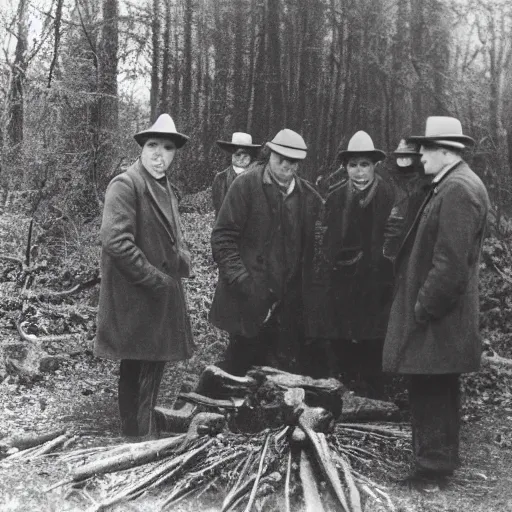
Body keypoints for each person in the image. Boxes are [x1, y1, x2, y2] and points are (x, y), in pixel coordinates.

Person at [383, 116, 490, 484]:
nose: (420, 155)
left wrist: (424, 306)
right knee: (433, 387)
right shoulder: (450, 183)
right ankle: (434, 464)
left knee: (432, 388)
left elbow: (451, 264)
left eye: (426, 148)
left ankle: (432, 469)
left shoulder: (458, 189)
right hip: (441, 315)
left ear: (446, 151)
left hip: (440, 316)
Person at [95, 114, 194, 439]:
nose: (159, 154)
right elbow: (115, 242)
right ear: (142, 148)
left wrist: (182, 258)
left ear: (174, 153)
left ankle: (144, 436)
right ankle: (135, 442)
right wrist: (155, 280)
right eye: (153, 145)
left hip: (158, 300)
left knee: (152, 373)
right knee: (136, 371)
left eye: (167, 148)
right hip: (136, 299)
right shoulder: (126, 184)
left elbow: (169, 235)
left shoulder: (163, 186)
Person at [208, 129, 323, 376]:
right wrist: (242, 281)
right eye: (279, 156)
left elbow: (317, 251)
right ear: (269, 154)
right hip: (245, 299)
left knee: (278, 379)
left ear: (299, 163)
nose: (285, 164)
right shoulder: (245, 186)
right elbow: (222, 238)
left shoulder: (310, 198)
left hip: (286, 305)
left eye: (292, 160)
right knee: (238, 372)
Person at [317, 131, 395, 396]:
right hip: (343, 277)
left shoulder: (390, 195)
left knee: (373, 340)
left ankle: (374, 394)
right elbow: (327, 237)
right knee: (342, 336)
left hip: (378, 280)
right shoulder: (336, 196)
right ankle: (344, 392)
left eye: (364, 165)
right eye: (353, 165)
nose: (359, 172)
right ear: (345, 167)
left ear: (375, 166)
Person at [383, 139, 431, 261]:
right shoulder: (388, 179)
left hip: (417, 238)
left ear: (415, 158)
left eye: (407, 157)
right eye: (400, 157)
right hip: (391, 238)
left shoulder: (425, 181)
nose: (403, 161)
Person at [212, 132, 262, 216]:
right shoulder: (221, 178)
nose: (241, 158)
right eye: (238, 154)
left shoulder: (258, 177)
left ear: (251, 155)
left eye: (245, 155)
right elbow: (219, 208)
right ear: (231, 154)